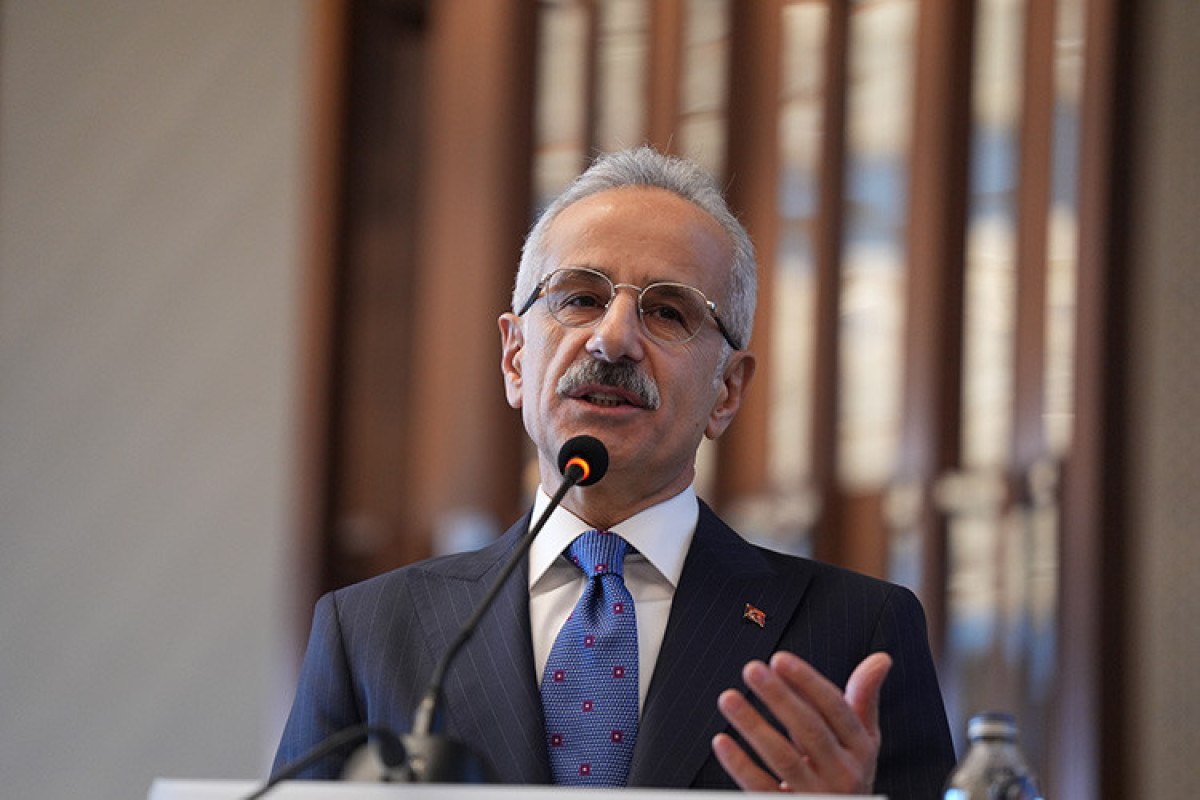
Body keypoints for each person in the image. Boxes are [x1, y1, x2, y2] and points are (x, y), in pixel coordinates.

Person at [272, 146, 956, 796]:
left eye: (667, 311)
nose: (614, 338)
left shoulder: (855, 632)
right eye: (579, 298)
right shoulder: (370, 631)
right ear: (515, 359)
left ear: (727, 391)